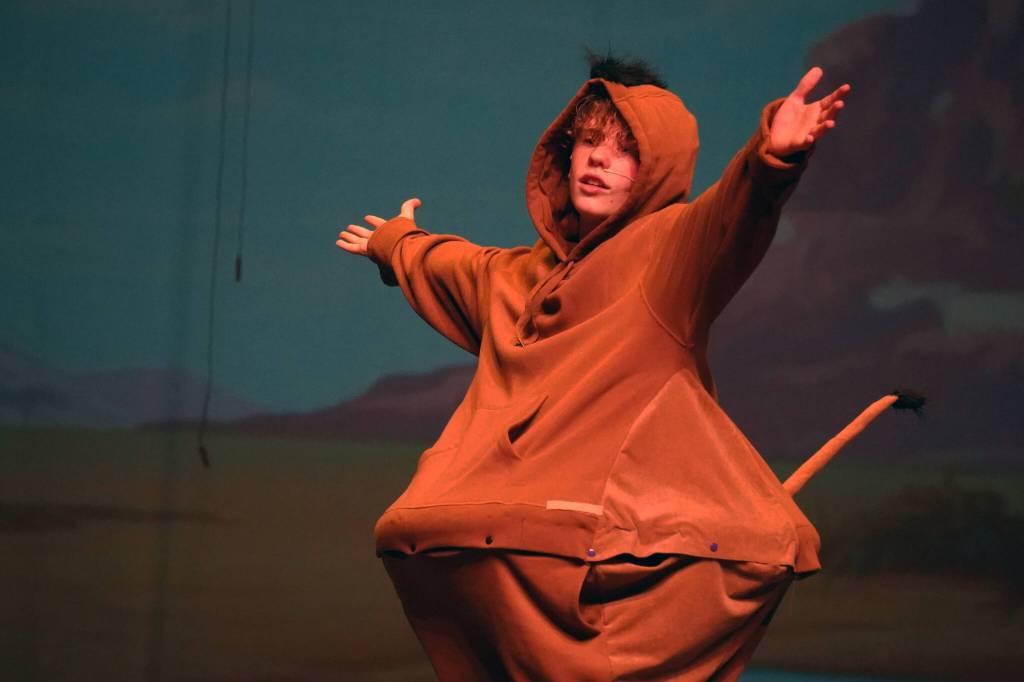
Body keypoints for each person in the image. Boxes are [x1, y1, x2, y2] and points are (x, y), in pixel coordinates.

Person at [336, 54, 850, 681]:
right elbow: (452, 265)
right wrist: (396, 243)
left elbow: (731, 216)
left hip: (564, 556)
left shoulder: (668, 257)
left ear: (656, 168)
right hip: (494, 554)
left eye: (623, 149)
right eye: (585, 143)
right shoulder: (514, 277)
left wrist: (771, 160)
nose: (597, 160)